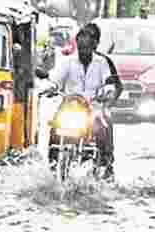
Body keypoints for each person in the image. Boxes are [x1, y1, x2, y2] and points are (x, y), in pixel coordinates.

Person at [47, 22, 121, 178]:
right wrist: (51, 86)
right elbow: (56, 79)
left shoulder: (102, 62)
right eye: (80, 48)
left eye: (87, 48)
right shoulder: (67, 61)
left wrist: (107, 91)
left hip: (93, 108)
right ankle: (52, 163)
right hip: (69, 107)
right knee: (54, 127)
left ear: (93, 46)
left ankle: (104, 164)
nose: (83, 52)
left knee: (102, 129)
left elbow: (109, 82)